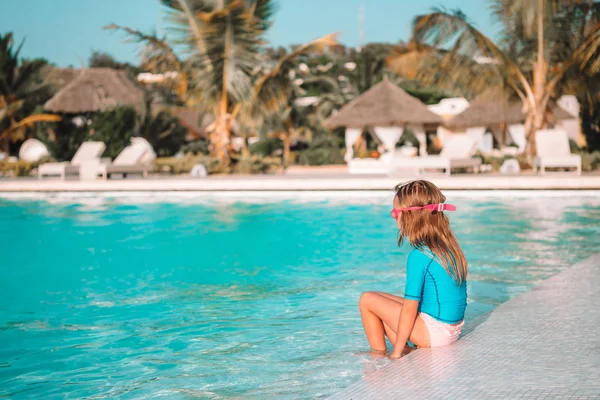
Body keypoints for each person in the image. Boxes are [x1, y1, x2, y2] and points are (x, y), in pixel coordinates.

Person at [358, 180, 468, 359]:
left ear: (409, 216)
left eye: (395, 213)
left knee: (367, 300)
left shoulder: (419, 256)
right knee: (379, 299)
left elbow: (410, 308)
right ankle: (408, 350)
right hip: (451, 328)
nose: (394, 217)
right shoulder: (448, 247)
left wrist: (396, 352)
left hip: (436, 333)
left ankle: (378, 355)